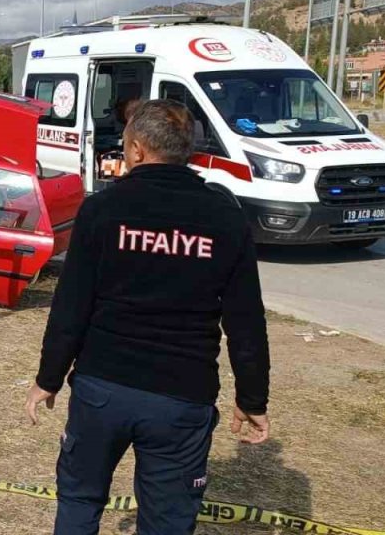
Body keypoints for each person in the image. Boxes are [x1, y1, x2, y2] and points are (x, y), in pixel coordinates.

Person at [25, 99, 270, 535]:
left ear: (137, 149)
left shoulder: (103, 209)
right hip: (181, 397)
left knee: (80, 499)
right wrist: (252, 399)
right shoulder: (225, 218)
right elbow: (246, 321)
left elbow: (71, 305)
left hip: (103, 388)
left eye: (124, 144)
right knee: (168, 521)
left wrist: (49, 378)